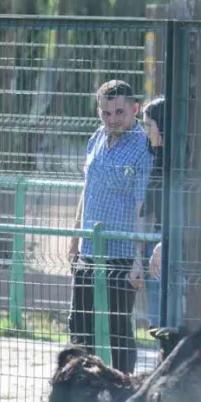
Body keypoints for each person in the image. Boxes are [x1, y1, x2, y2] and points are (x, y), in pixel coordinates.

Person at [67, 80, 153, 375]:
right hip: (89, 249)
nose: (113, 119)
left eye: (119, 112)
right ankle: (79, 389)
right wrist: (74, 237)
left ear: (135, 109)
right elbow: (86, 190)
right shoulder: (96, 139)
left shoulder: (143, 149)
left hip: (121, 253)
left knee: (118, 327)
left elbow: (143, 206)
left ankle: (123, 390)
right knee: (79, 323)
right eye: (106, 113)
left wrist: (138, 259)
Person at [136, 95, 201, 327]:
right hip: (159, 243)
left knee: (174, 319)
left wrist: (165, 242)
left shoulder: (186, 163)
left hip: (178, 246)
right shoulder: (159, 158)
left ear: (163, 125)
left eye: (149, 125)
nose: (147, 132)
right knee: (159, 321)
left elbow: (189, 212)